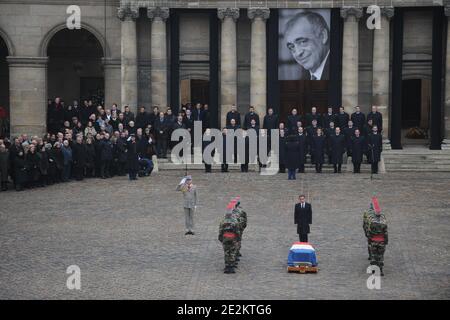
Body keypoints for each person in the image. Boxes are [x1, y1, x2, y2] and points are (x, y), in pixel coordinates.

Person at [284, 11, 330, 80]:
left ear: (323, 36)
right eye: (292, 47)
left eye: (302, 42)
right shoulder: (304, 77)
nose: (298, 53)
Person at [366, 197, 388, 276]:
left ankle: (374, 269)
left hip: (373, 241)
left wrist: (369, 240)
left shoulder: (372, 222)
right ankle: (381, 270)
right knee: (381, 256)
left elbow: (369, 232)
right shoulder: (383, 222)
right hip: (381, 241)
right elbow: (385, 233)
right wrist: (386, 241)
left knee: (374, 255)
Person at [218, 205, 240, 274]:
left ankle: (227, 266)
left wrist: (221, 238)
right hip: (233, 238)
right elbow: (237, 231)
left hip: (225, 238)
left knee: (227, 252)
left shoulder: (223, 221)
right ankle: (232, 266)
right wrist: (237, 238)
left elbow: (221, 231)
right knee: (232, 252)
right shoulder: (235, 221)